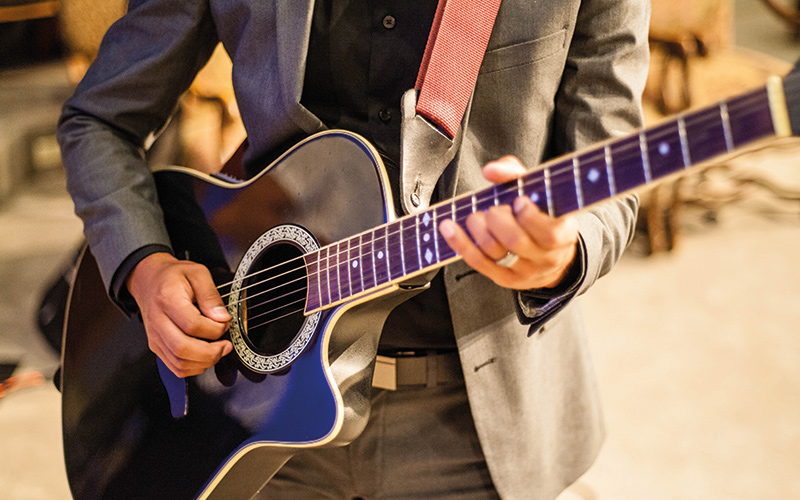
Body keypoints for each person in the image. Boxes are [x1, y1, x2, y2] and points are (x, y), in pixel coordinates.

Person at [57, 0, 650, 499]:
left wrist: (564, 252)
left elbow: (611, 163)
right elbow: (100, 119)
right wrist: (144, 263)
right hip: (256, 401)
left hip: (479, 419)